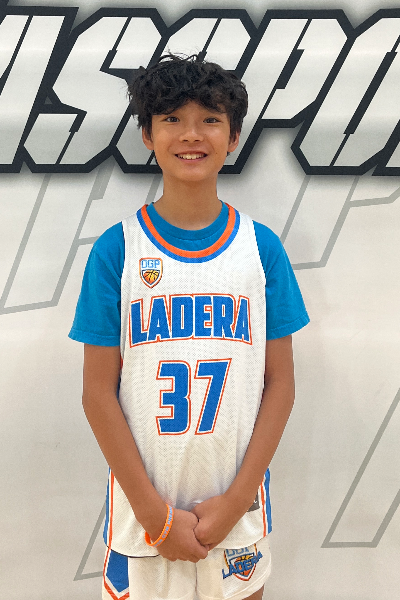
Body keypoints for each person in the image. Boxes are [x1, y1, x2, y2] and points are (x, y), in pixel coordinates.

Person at [69, 53, 309, 600]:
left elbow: (281, 383)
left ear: (235, 136)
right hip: (142, 519)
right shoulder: (117, 251)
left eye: (210, 119)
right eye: (172, 118)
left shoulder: (261, 250)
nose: (191, 134)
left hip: (236, 513)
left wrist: (236, 502)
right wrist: (155, 516)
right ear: (148, 135)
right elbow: (96, 393)